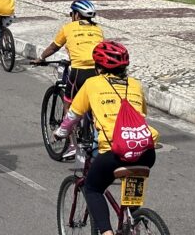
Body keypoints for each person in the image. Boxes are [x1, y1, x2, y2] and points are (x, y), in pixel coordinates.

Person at [54, 42, 158, 235]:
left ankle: (107, 232)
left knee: (93, 188)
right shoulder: (135, 84)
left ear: (99, 67)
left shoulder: (92, 84)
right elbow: (141, 114)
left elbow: (72, 117)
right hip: (145, 151)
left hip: (114, 151)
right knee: (132, 185)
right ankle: (133, 221)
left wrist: (60, 132)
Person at [32, 0, 104, 97]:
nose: (71, 16)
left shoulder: (68, 28)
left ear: (77, 15)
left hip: (80, 72)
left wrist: (41, 58)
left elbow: (54, 47)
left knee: (68, 101)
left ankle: (67, 112)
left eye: (71, 14)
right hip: (99, 71)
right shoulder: (98, 30)